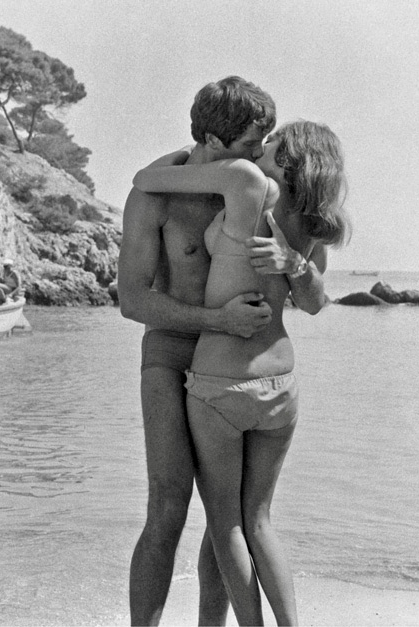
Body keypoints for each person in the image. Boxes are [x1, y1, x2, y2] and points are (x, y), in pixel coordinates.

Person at [132, 119, 351, 625]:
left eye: (267, 143)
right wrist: (294, 262)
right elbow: (315, 303)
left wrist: (188, 157)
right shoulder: (312, 221)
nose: (258, 149)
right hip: (280, 384)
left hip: (221, 382)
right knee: (260, 521)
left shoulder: (244, 183)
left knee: (226, 525)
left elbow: (146, 179)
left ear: (287, 160)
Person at [119, 76, 304, 626]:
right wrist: (216, 320)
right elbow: (132, 300)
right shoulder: (155, 195)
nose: (260, 153)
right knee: (168, 506)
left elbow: (305, 270)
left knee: (228, 519)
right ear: (213, 140)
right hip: (171, 353)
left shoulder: (258, 188)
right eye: (250, 142)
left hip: (231, 367)